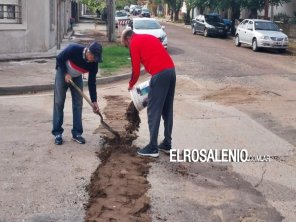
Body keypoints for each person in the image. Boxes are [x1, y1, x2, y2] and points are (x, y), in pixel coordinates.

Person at [121, 29, 176, 158]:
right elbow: (155, 55)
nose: (127, 47)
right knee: (167, 109)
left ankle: (152, 147)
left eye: (125, 45)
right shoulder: (148, 37)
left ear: (128, 38)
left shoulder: (134, 43)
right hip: (171, 71)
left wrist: (131, 84)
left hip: (160, 74)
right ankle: (167, 144)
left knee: (153, 110)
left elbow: (136, 69)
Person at [52, 41, 102, 145]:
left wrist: (94, 101)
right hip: (63, 72)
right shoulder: (73, 49)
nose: (94, 60)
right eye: (94, 57)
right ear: (89, 52)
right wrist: (65, 73)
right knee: (59, 102)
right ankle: (57, 132)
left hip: (76, 76)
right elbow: (59, 58)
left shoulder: (94, 64)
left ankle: (77, 133)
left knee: (78, 104)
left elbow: (92, 82)